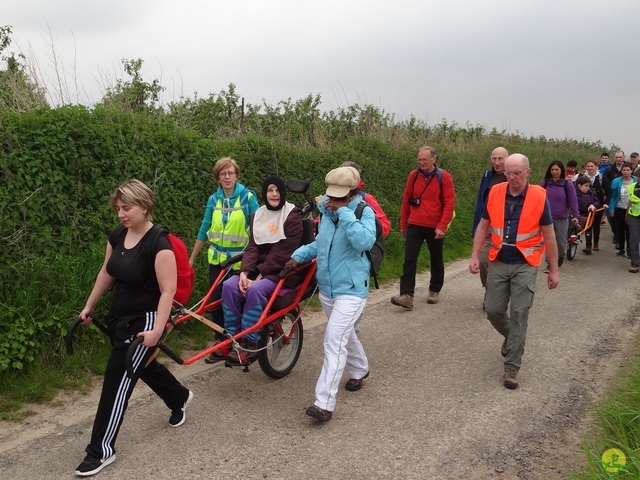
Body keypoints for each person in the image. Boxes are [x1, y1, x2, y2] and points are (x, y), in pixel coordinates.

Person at [75, 180, 192, 477]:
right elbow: (107, 272)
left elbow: (168, 290)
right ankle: (179, 397)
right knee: (142, 366)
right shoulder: (117, 236)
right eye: (118, 209)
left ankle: (101, 450)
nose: (121, 214)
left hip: (146, 320)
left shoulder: (158, 243)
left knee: (117, 381)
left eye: (126, 208)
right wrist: (89, 305)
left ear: (144, 207)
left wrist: (158, 330)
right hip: (119, 317)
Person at [285, 166, 376, 422]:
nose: (332, 201)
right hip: (327, 289)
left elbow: (364, 242)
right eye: (331, 196)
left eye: (339, 197)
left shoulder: (363, 212)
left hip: (352, 290)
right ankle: (360, 369)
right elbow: (321, 244)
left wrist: (345, 214)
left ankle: (324, 403)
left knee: (332, 341)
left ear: (352, 193)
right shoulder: (325, 213)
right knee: (343, 336)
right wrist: (297, 256)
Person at [469, 154, 559, 390]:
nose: (511, 178)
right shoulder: (496, 191)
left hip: (526, 264)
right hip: (499, 260)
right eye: (508, 172)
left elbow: (549, 235)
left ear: (527, 172)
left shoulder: (539, 196)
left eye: (516, 173)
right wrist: (474, 255)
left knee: (519, 313)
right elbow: (483, 226)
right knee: (493, 310)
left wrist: (554, 269)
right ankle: (512, 337)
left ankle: (512, 367)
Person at [221, 176, 303, 365]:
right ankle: (234, 337)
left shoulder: (292, 216)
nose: (274, 194)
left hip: (281, 270)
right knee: (229, 286)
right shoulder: (258, 214)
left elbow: (283, 253)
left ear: (282, 193)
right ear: (265, 193)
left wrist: (257, 277)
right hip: (256, 268)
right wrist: (243, 272)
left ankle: (251, 342)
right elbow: (252, 247)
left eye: (277, 191)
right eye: (270, 190)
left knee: (255, 290)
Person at [189, 157, 259, 363]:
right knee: (216, 302)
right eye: (223, 174)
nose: (227, 177)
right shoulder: (214, 200)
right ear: (217, 178)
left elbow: (258, 229)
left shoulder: (247, 198)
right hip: (217, 261)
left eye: (230, 173)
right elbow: (204, 228)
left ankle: (242, 341)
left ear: (237, 175)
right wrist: (191, 259)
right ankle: (222, 340)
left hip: (241, 261)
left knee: (238, 301)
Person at [390, 146, 456, 309]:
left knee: (436, 259)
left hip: (435, 226)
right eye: (419, 160)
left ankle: (434, 290)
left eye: (424, 160)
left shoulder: (444, 177)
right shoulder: (413, 176)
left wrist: (442, 226)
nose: (421, 163)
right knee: (409, 259)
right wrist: (403, 223)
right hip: (415, 224)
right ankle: (407, 295)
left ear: (434, 160)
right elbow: (406, 200)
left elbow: (449, 203)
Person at [472, 146, 508, 292]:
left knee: (502, 261)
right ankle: (490, 290)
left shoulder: (513, 175)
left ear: (507, 159)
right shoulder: (487, 175)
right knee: (483, 259)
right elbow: (481, 202)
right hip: (488, 224)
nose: (497, 162)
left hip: (507, 226)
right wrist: (475, 231)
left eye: (500, 158)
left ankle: (501, 292)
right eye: (494, 158)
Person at [540, 161, 580, 269]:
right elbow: (538, 199)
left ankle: (561, 257)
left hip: (562, 218)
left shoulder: (568, 184)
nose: (554, 172)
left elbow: (573, 201)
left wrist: (576, 216)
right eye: (552, 170)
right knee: (548, 241)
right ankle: (550, 263)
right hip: (547, 218)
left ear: (562, 170)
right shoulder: (545, 183)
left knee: (561, 242)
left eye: (557, 169)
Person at [576, 159, 608, 250]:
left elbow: (608, 191)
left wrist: (605, 203)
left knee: (596, 224)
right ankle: (588, 246)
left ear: (596, 167)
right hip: (582, 204)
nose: (590, 168)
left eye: (592, 166)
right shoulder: (581, 177)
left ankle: (596, 243)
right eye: (588, 166)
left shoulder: (601, 178)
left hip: (596, 203)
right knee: (587, 225)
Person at [608, 162, 637, 257]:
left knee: (629, 231)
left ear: (631, 171)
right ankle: (621, 249)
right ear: (621, 171)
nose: (626, 172)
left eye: (628, 170)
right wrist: (611, 209)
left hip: (631, 210)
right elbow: (612, 196)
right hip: (619, 208)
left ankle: (630, 250)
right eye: (624, 170)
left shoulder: (636, 181)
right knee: (620, 230)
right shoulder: (616, 181)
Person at [574, 175, 600, 254]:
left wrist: (593, 205)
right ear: (579, 185)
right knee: (576, 224)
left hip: (587, 213)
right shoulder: (573, 193)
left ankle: (588, 247)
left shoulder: (591, 193)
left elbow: (597, 201)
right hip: (576, 213)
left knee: (588, 229)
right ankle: (574, 238)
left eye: (589, 186)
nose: (588, 188)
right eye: (586, 186)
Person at [604, 151, 626, 245]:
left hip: (625, 196)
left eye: (620, 157)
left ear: (623, 157)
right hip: (612, 195)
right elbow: (604, 182)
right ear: (614, 158)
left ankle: (620, 236)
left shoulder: (627, 168)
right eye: (616, 157)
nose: (618, 159)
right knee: (610, 216)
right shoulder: (609, 169)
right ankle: (616, 233)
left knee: (622, 218)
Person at [626, 179, 640, 273]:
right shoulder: (632, 187)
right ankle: (635, 264)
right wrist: (626, 215)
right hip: (634, 216)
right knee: (634, 239)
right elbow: (630, 202)